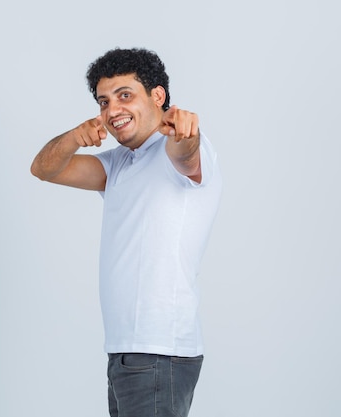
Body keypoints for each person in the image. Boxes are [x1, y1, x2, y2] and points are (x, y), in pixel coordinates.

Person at [30, 48, 222, 417]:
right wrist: (74, 136)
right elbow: (44, 169)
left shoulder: (176, 150)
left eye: (125, 95)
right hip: (126, 351)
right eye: (104, 101)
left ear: (158, 96)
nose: (112, 109)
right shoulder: (118, 163)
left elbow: (186, 155)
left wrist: (185, 131)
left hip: (158, 349)